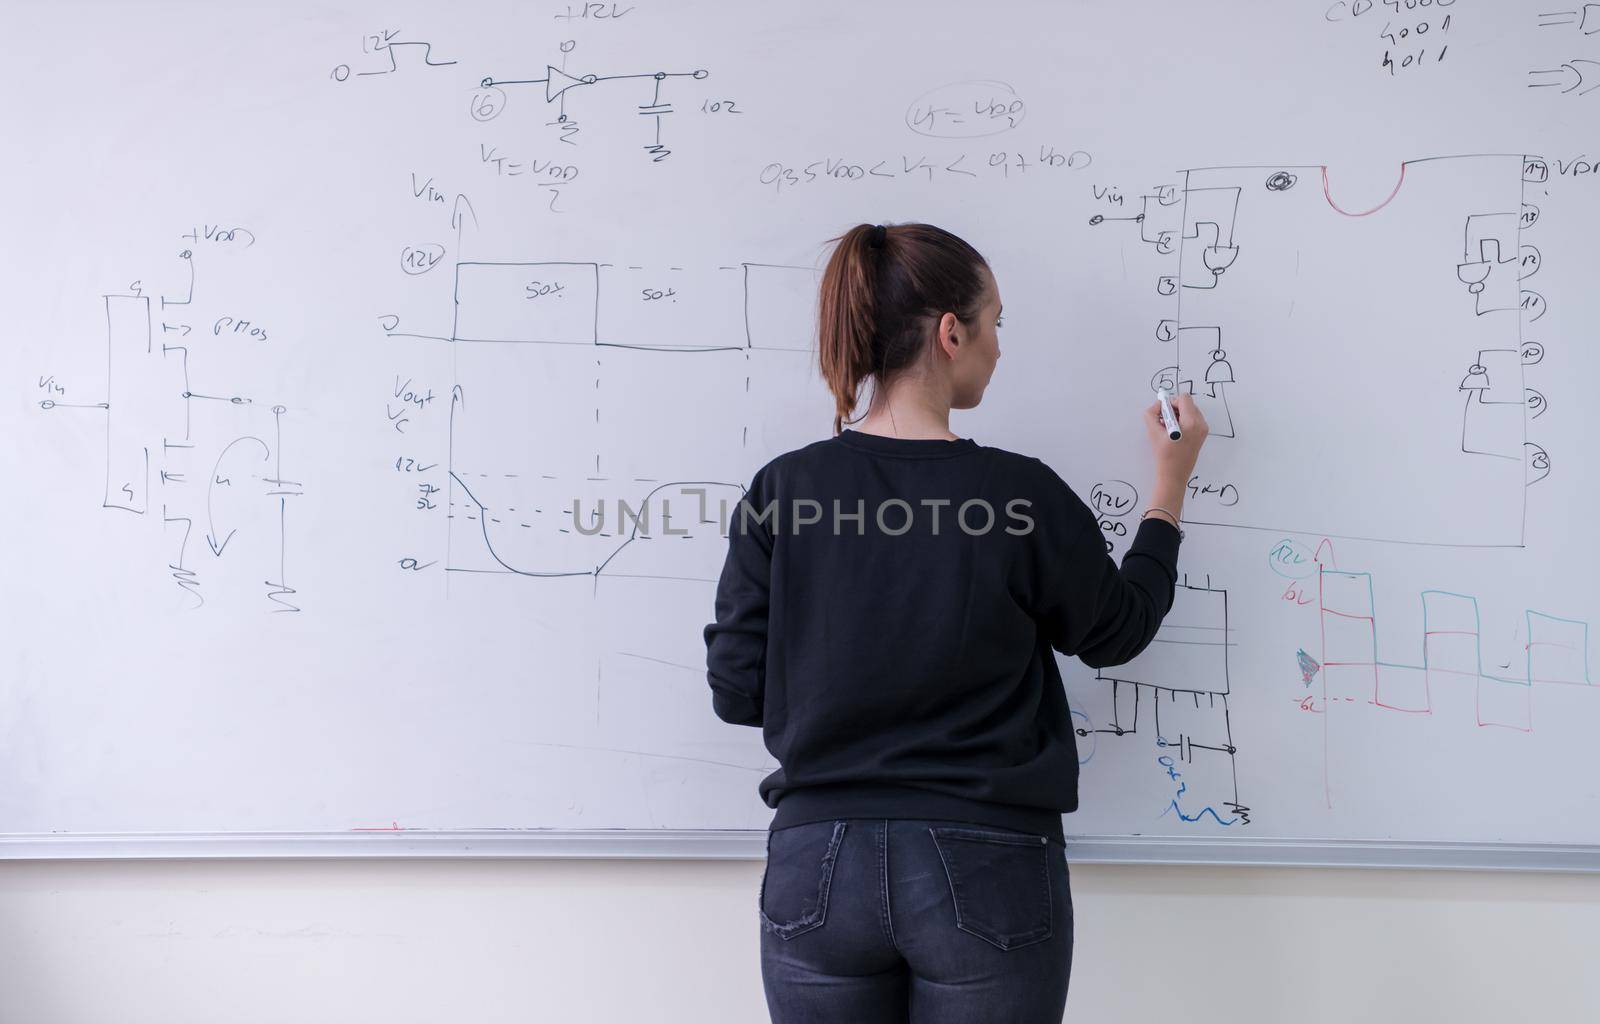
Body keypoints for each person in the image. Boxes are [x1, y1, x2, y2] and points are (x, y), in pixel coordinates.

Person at [703, 222, 1209, 1022]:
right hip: (988, 861)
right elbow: (1118, 630)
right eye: (996, 323)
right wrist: (1169, 489)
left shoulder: (783, 490)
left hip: (815, 864)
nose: (999, 348)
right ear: (950, 332)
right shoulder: (1019, 496)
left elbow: (736, 690)